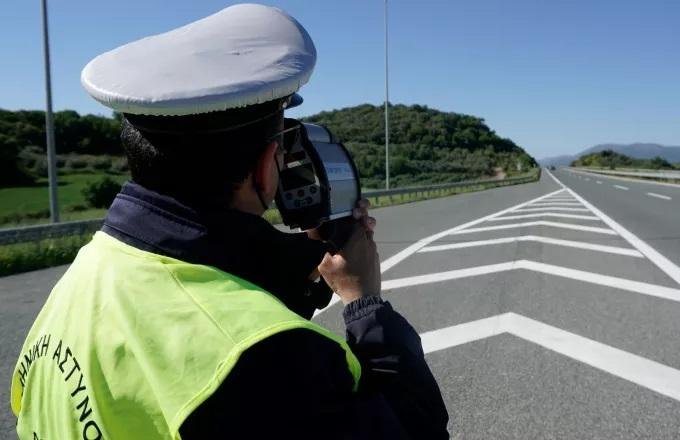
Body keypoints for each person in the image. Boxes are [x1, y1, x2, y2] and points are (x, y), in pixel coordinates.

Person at [10, 4, 449, 439]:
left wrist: (298, 265)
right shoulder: (265, 353)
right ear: (265, 167)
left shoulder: (82, 278)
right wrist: (364, 304)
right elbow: (414, 430)